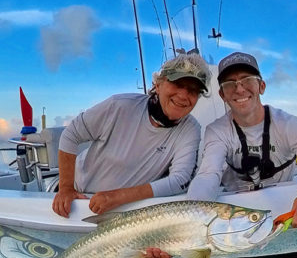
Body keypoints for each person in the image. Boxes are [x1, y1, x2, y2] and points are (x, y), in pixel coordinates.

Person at [186, 52, 297, 229]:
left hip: (285, 213)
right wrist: (193, 215)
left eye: (247, 79)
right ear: (222, 94)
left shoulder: (288, 124)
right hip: (235, 221)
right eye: (230, 83)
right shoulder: (216, 131)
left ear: (261, 86)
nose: (239, 89)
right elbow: (208, 175)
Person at [50, 51, 211, 218]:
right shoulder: (120, 106)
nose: (183, 95)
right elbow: (71, 134)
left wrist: (118, 197)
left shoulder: (191, 129)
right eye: (177, 84)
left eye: (193, 90)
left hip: (127, 211)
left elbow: (180, 180)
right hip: (79, 200)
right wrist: (66, 189)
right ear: (158, 85)